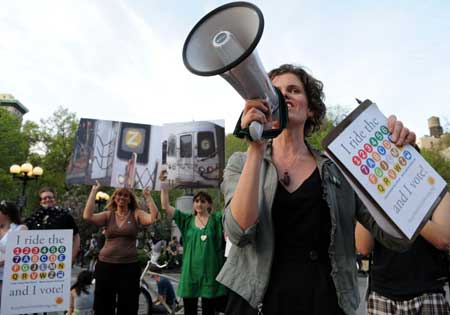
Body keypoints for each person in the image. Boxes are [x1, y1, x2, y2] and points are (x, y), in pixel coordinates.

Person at [216, 64, 418, 315]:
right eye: (275, 91)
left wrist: (402, 160)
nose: (285, 95)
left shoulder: (341, 169)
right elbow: (239, 232)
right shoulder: (241, 162)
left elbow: (396, 238)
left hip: (323, 302)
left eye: (294, 90)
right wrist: (256, 148)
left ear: (310, 109)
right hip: (254, 304)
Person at [355, 190, 450, 315]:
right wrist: (370, 201)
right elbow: (363, 247)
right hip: (383, 295)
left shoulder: (437, 192)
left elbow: (443, 240)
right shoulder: (377, 194)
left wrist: (403, 209)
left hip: (428, 293)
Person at [150, 179, 227, 315]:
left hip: (210, 272)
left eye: (203, 201)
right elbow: (165, 206)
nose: (199, 204)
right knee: (189, 310)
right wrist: (164, 185)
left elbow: (231, 207)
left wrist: (228, 181)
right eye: (197, 201)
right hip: (190, 273)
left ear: (209, 204)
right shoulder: (186, 220)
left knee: (208, 311)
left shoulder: (216, 220)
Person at [82, 182, 159, 315]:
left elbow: (154, 217)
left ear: (129, 199)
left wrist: (148, 196)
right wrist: (94, 191)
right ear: (114, 197)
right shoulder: (108, 215)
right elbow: (87, 216)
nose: (121, 197)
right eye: (119, 194)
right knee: (103, 305)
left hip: (128, 267)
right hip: (106, 266)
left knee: (128, 305)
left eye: (125, 195)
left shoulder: (136, 214)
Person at [25, 186, 80, 264]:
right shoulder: (33, 218)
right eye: (44, 198)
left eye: (50, 197)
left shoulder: (65, 216)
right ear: (40, 202)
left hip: (58, 260)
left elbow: (76, 237)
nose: (47, 200)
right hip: (35, 261)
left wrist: (72, 258)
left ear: (55, 200)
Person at [0, 201, 27, 306]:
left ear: (6, 214)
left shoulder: (20, 229)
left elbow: (23, 253)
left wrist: (4, 261)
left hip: (10, 276)